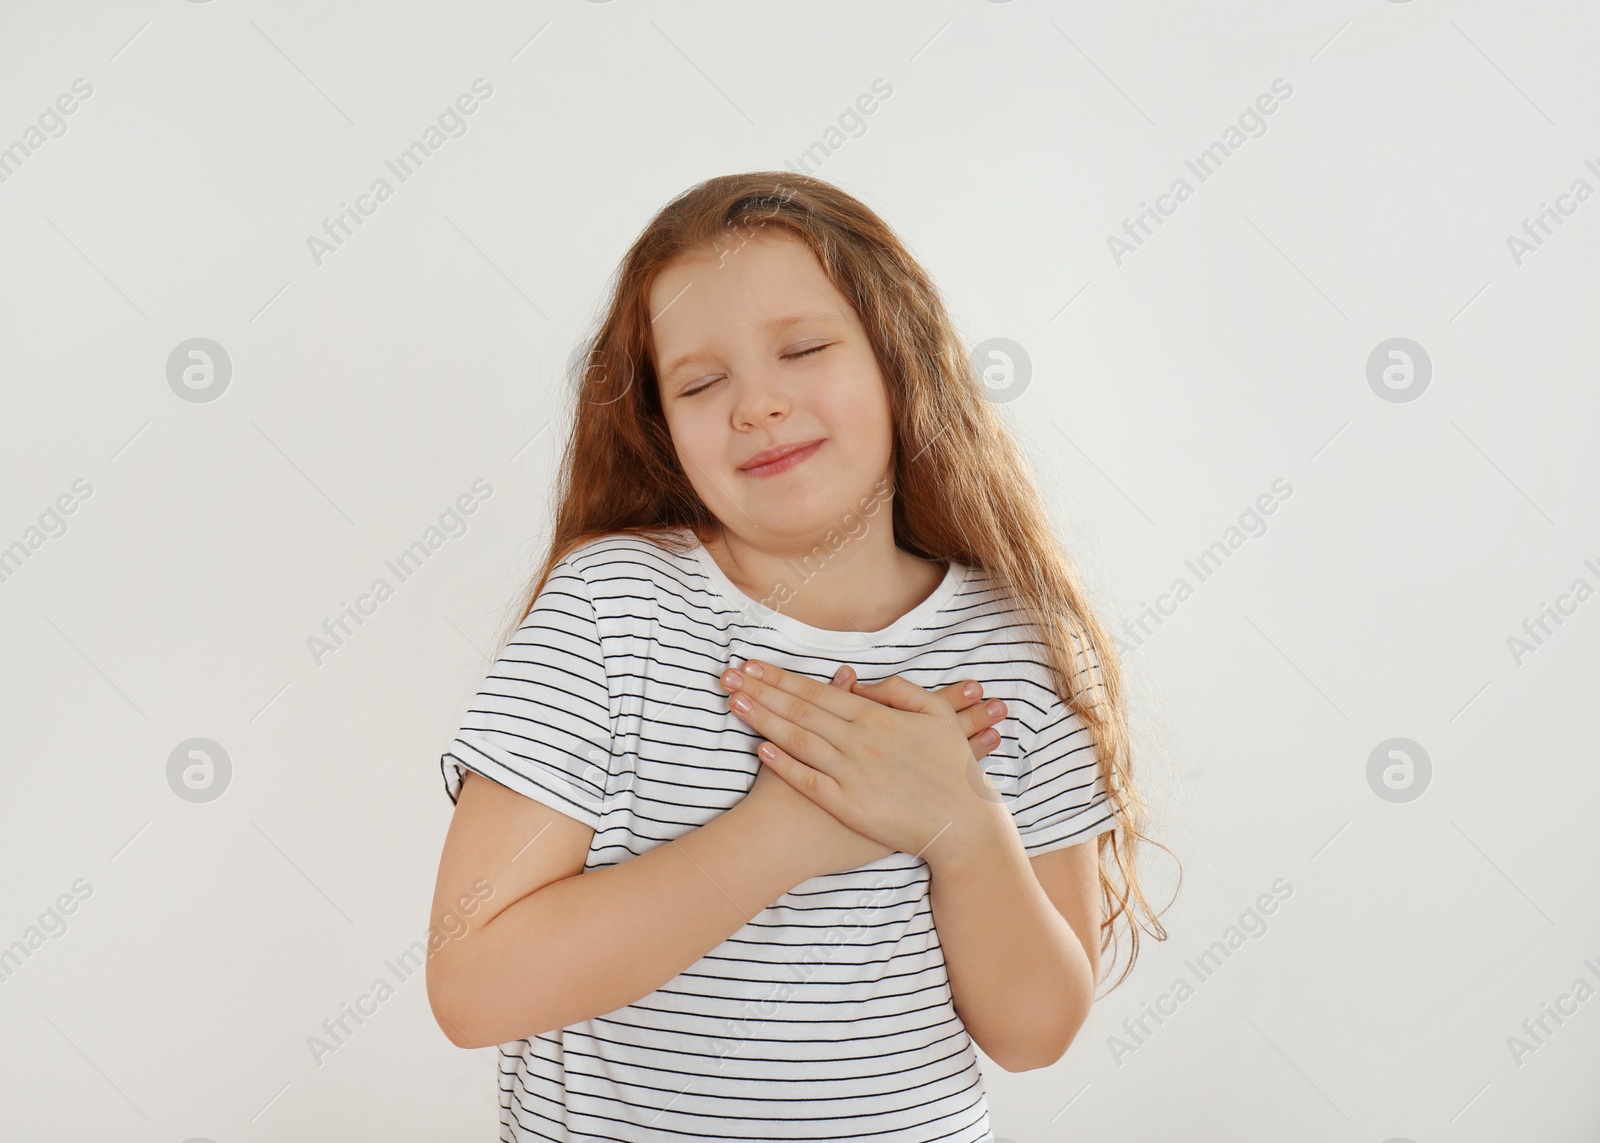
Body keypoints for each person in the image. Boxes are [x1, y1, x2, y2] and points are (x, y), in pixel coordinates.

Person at [425, 171, 1169, 1142]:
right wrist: (790, 834)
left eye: (804, 348)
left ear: (899, 360)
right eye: (700, 382)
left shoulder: (1015, 640)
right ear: (663, 428)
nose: (757, 404)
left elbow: (1032, 1033)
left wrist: (956, 820)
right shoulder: (612, 611)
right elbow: (474, 989)